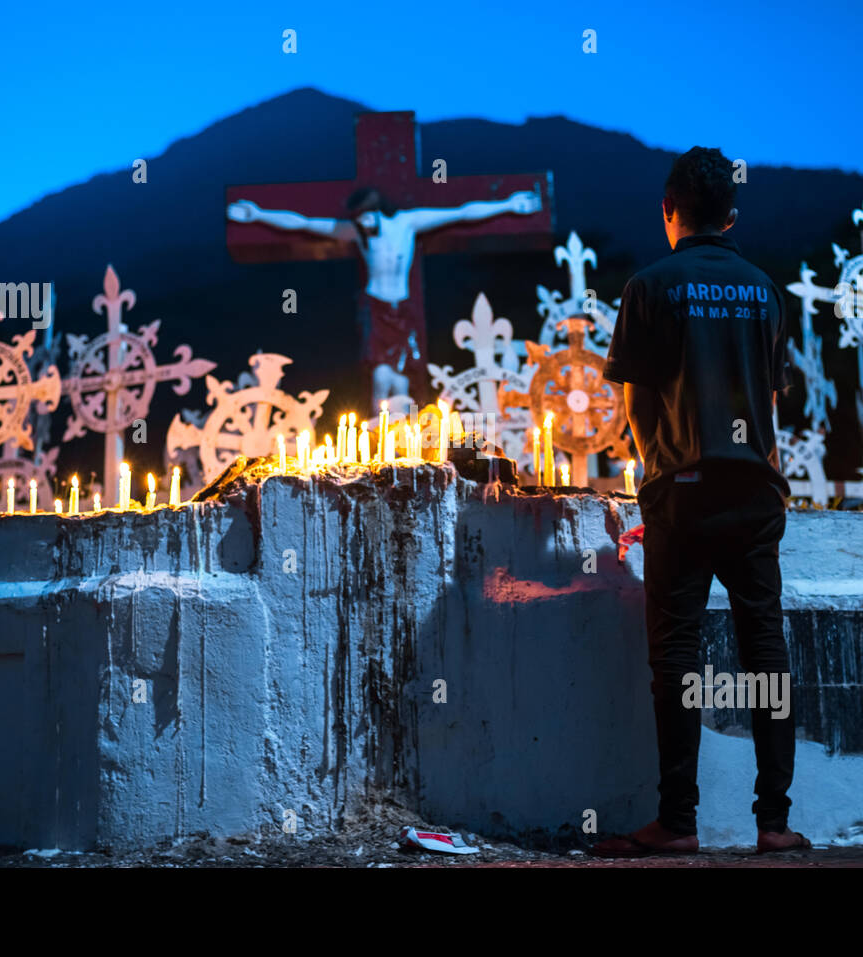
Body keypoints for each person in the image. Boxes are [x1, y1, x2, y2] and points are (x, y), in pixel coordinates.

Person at [591, 146, 810, 856]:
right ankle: (773, 823)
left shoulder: (651, 286)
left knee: (678, 656)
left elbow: (637, 400)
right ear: (731, 216)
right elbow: (773, 397)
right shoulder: (765, 290)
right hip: (754, 496)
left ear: (668, 210)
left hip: (681, 497)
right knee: (765, 650)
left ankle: (677, 823)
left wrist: (660, 472)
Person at [227, 186, 541, 406]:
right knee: (380, 378)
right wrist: (257, 214)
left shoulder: (406, 224)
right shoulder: (356, 233)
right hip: (376, 310)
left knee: (402, 383)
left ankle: (404, 444)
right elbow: (305, 224)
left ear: (377, 212)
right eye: (358, 220)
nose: (362, 224)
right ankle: (379, 434)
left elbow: (460, 214)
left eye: (366, 218)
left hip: (402, 312)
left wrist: (509, 205)